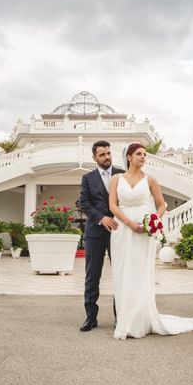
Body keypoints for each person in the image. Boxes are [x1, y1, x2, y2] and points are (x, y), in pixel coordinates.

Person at [109, 142, 193, 340]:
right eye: (139, 154)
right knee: (123, 272)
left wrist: (153, 221)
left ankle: (141, 319)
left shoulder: (150, 179)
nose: (143, 157)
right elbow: (113, 206)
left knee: (140, 272)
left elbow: (162, 204)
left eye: (145, 154)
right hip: (123, 229)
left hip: (144, 231)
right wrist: (130, 223)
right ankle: (126, 320)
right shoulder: (116, 179)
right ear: (129, 157)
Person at [78, 140, 125, 332]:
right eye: (102, 155)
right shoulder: (87, 178)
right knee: (92, 276)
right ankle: (91, 317)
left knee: (121, 275)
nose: (106, 157)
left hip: (119, 231)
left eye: (108, 153)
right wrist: (101, 218)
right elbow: (84, 203)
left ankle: (120, 317)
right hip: (95, 232)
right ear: (94, 158)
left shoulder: (122, 174)